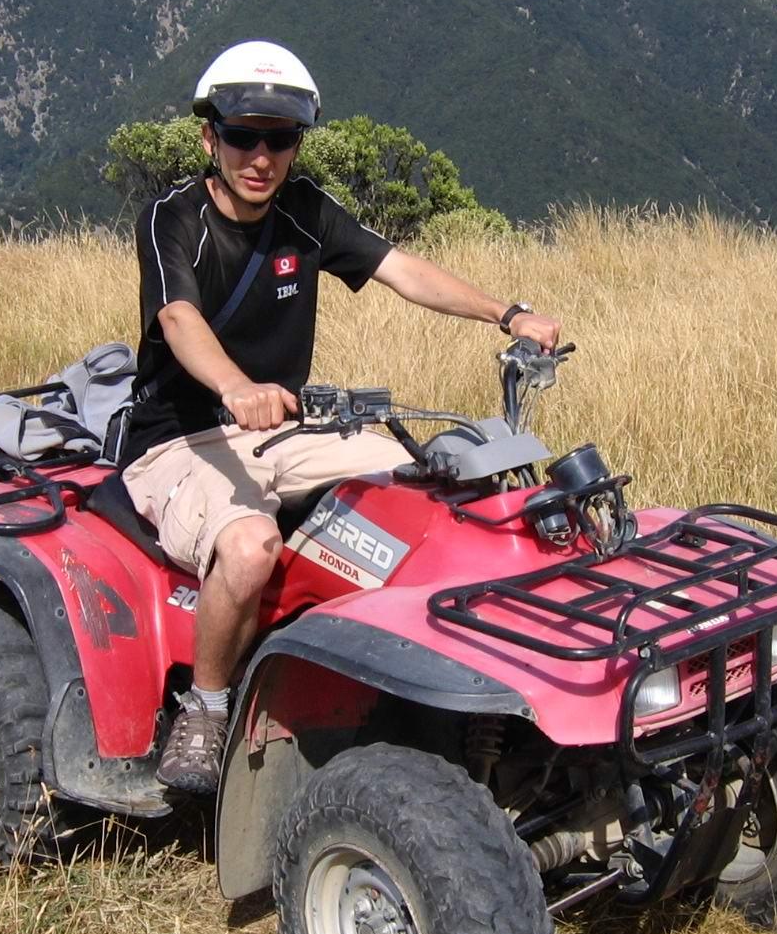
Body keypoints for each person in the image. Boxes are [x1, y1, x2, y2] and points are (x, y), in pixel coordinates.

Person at [120, 39, 562, 792]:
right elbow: (179, 318)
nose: (261, 157)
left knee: (435, 484)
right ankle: (208, 705)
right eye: (243, 136)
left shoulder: (304, 212)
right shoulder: (173, 219)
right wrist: (236, 387)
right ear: (210, 138)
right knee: (250, 547)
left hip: (284, 433)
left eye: (280, 139)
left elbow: (402, 270)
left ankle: (435, 665)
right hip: (181, 440)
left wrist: (507, 314)